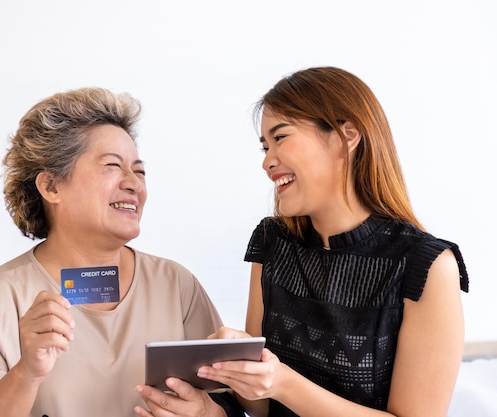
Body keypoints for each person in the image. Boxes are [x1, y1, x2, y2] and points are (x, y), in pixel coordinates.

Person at [0, 87, 242, 417]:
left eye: (140, 170)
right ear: (51, 186)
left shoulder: (176, 285)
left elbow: (229, 401)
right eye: (112, 165)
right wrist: (27, 372)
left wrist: (206, 412)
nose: (134, 183)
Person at [190, 67, 469, 416]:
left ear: (344, 136)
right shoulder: (272, 243)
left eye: (280, 138)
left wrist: (283, 382)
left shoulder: (426, 266)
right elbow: (260, 407)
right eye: (264, 146)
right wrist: (227, 379)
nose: (267, 161)